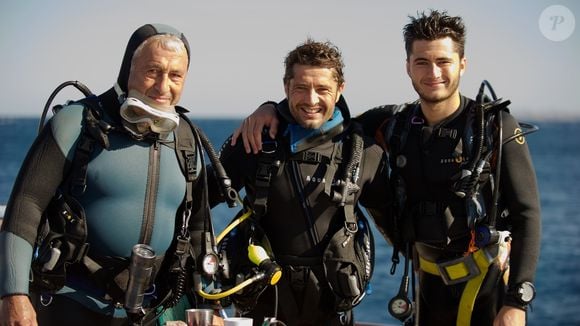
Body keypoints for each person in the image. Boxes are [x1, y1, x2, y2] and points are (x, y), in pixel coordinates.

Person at [232, 10, 541, 326]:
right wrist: (268, 109)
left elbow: (527, 213)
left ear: (462, 64)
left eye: (443, 61)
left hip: (486, 284)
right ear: (408, 66)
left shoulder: (494, 127)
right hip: (427, 283)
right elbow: (325, 119)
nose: (433, 72)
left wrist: (517, 301)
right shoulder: (392, 126)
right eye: (421, 61)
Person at [0, 24, 224, 326]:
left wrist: (210, 305)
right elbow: (25, 208)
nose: (162, 86)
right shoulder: (77, 123)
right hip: (71, 300)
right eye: (152, 71)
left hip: (150, 309)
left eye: (175, 76)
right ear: (127, 68)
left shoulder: (186, 139)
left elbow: (197, 228)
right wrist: (13, 294)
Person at [208, 39, 391, 326]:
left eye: (323, 89)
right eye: (301, 88)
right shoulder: (255, 140)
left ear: (340, 89)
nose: (311, 100)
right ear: (286, 87)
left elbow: (399, 225)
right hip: (262, 297)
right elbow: (195, 203)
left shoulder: (364, 151)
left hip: (331, 304)